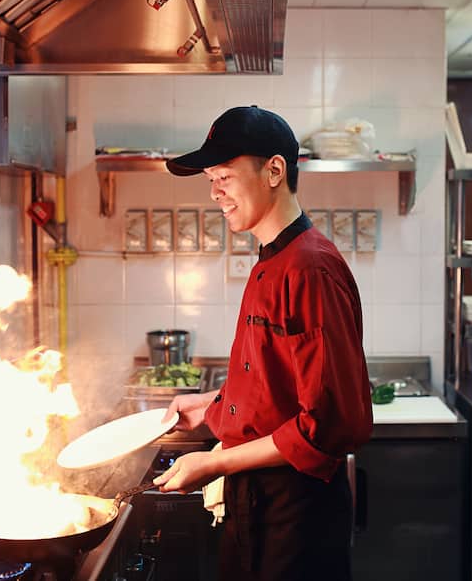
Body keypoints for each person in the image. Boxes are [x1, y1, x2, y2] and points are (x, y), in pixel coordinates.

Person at [155, 106, 373, 581]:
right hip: (257, 502)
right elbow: (273, 383)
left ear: (274, 170)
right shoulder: (273, 260)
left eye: (225, 176)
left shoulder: (309, 269)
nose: (215, 192)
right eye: (211, 179)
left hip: (296, 514)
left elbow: (329, 424)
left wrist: (214, 463)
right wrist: (213, 404)